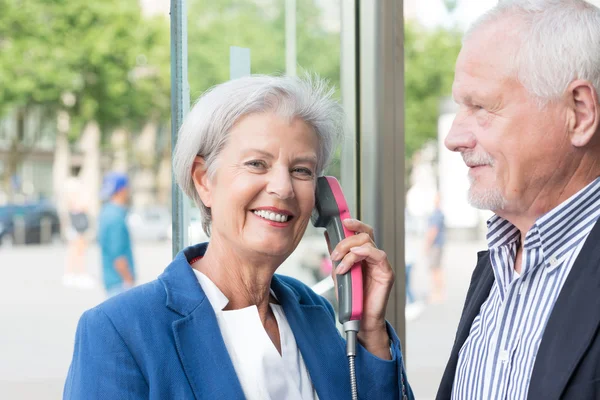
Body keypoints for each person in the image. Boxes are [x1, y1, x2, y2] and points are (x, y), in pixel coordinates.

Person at [64, 75, 414, 399]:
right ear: (204, 180)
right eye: (257, 164)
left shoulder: (316, 313)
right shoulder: (120, 331)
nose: (282, 187)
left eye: (301, 170)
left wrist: (369, 331)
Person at [436, 1, 600, 399]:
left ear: (578, 113)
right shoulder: (496, 265)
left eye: (481, 107)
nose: (454, 138)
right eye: (461, 107)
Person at [96, 172, 135, 298]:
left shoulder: (106, 212)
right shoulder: (115, 218)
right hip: (120, 283)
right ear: (122, 190)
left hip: (112, 281)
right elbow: (118, 257)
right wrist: (129, 280)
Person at [62, 178, 94, 289]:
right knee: (77, 251)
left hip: (77, 225)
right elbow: (81, 207)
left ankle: (74, 274)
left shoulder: (72, 199)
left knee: (77, 250)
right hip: (77, 226)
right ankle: (78, 274)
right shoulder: (73, 200)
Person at [424, 192, 445, 303]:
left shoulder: (437, 214)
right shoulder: (439, 213)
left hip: (435, 245)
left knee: (435, 269)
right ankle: (438, 293)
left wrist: (427, 245)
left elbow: (433, 230)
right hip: (438, 245)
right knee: (437, 269)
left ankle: (437, 294)